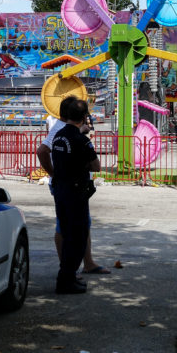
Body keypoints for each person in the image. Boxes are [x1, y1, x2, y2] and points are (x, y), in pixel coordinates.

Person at [37, 98, 109, 276]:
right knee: (64, 226)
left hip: (73, 185)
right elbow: (42, 151)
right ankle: (67, 270)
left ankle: (86, 263)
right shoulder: (60, 130)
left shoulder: (70, 130)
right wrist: (54, 174)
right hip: (67, 186)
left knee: (83, 224)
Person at [48, 97, 101, 294]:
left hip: (60, 190)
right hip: (76, 192)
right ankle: (66, 279)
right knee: (78, 237)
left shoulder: (59, 135)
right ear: (84, 117)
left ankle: (66, 277)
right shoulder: (82, 141)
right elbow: (96, 166)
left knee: (66, 233)